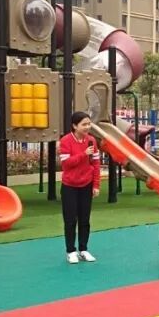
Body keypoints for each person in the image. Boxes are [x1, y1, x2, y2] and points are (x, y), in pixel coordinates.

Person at [58, 111, 101, 264]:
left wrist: (96, 185)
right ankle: (71, 251)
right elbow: (66, 164)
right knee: (70, 220)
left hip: (86, 185)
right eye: (84, 124)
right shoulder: (65, 141)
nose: (87, 127)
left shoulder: (92, 141)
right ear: (75, 126)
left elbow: (96, 164)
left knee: (85, 219)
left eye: (89, 124)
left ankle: (83, 249)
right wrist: (83, 154)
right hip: (69, 186)